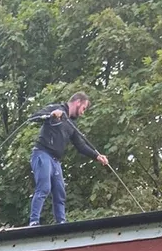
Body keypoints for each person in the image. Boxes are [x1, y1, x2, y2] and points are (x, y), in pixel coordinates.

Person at [28, 92, 108, 226]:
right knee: (44, 187)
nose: (83, 113)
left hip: (55, 160)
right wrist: (52, 114)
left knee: (60, 192)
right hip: (42, 153)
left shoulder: (71, 124)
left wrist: (97, 156)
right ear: (78, 102)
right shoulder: (56, 108)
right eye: (83, 108)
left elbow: (80, 145)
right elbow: (33, 118)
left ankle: (61, 223)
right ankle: (34, 221)